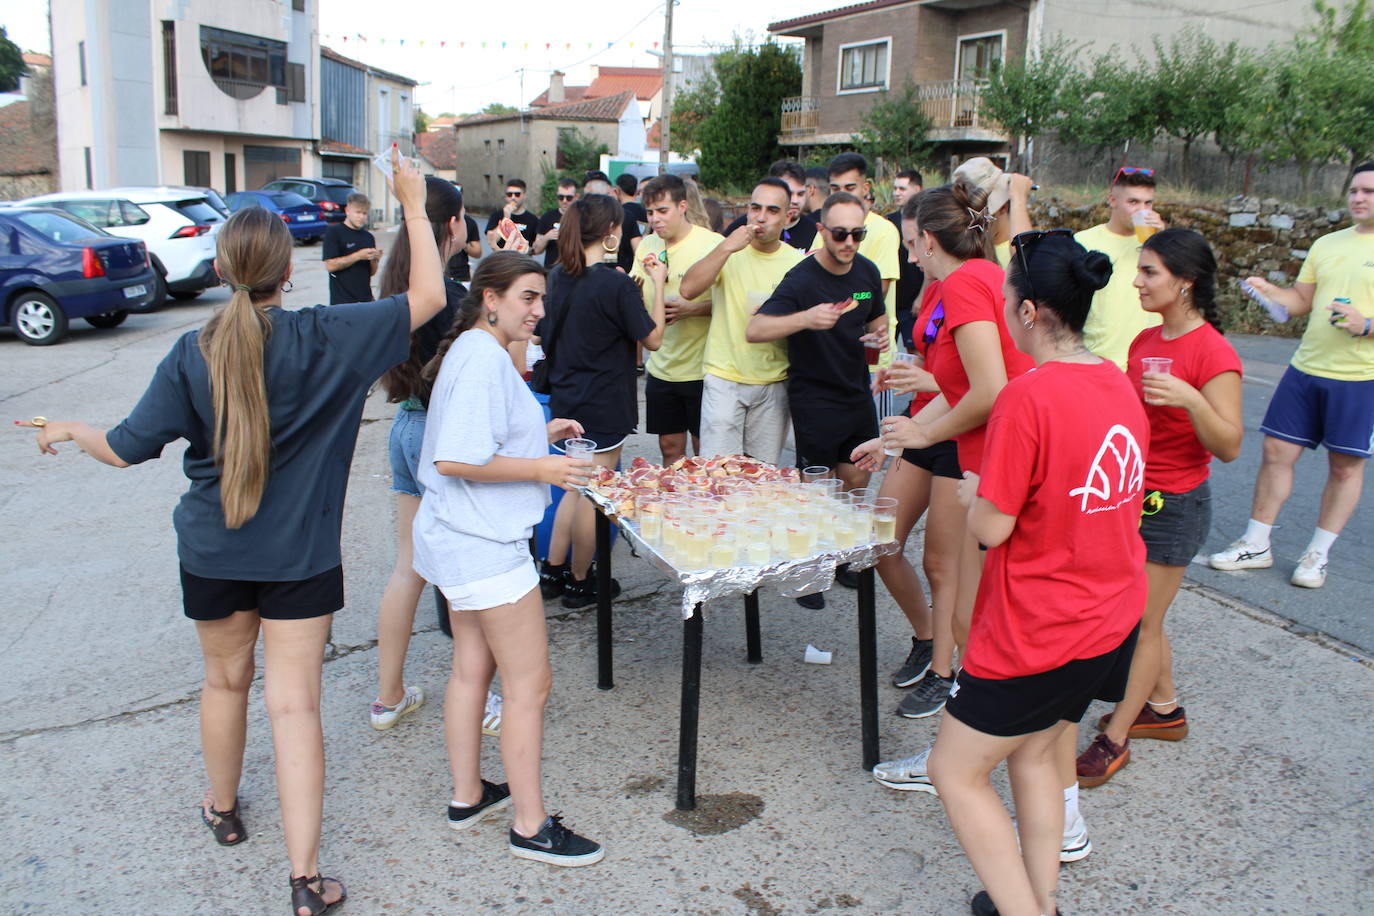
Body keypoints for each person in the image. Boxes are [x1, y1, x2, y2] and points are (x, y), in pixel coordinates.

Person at [21, 149, 444, 915]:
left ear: (221, 271)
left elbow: (123, 447)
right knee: (295, 706)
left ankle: (222, 810)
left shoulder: (194, 351)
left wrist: (71, 428)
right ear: (290, 272)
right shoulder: (329, 335)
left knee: (224, 682)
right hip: (300, 558)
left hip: (213, 552)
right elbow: (428, 296)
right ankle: (305, 882)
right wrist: (412, 202)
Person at [925, 230, 1147, 916]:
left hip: (1041, 629)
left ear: (1027, 312)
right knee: (1035, 755)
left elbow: (993, 528)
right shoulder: (1114, 379)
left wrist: (974, 494)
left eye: (1006, 299)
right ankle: (1041, 900)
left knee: (953, 771)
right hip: (1110, 618)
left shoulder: (1028, 396)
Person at [413, 251, 605, 867]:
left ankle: (468, 795)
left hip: (460, 536)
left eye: (541, 297)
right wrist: (543, 468)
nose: (539, 309)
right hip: (484, 544)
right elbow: (455, 458)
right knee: (529, 684)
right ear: (490, 299)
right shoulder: (480, 359)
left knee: (472, 670)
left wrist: (538, 435)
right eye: (528, 297)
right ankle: (531, 825)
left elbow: (481, 438)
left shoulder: (477, 350)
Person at [867, 181, 1035, 797]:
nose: (909, 255)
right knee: (976, 612)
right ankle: (976, 753)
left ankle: (956, 760)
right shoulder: (986, 274)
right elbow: (973, 387)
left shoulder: (964, 283)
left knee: (971, 615)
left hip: (990, 458)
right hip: (990, 452)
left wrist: (920, 431)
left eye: (912, 243)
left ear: (932, 240)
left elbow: (989, 391)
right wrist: (902, 436)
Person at [1075, 228, 1243, 789]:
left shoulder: (1214, 353)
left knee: (1141, 621)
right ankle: (1164, 709)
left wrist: (1192, 400)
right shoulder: (1147, 340)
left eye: (1150, 272)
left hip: (1175, 503)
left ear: (1186, 282)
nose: (1137, 282)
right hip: (1132, 494)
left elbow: (1229, 445)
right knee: (1146, 613)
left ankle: (1116, 738)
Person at [370, 176, 504, 739]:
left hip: (405, 425)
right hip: (442, 437)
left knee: (410, 568)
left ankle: (388, 697)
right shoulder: (447, 296)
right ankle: (480, 698)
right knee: (464, 572)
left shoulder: (394, 284)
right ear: (452, 224)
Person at [1209, 162, 1374, 588]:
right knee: (1276, 452)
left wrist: (1367, 325)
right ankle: (1256, 543)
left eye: (1369, 191)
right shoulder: (1327, 243)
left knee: (1344, 467)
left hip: (1361, 379)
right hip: (1305, 368)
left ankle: (1317, 555)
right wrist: (1271, 293)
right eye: (1354, 190)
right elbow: (1300, 301)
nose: (1358, 198)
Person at [748, 191, 888, 609]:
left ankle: (840, 555)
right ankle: (810, 568)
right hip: (814, 395)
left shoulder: (867, 271)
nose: (849, 242)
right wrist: (806, 318)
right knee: (817, 488)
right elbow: (755, 329)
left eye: (858, 234)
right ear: (822, 230)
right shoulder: (802, 278)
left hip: (856, 390)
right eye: (840, 234)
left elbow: (876, 319)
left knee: (857, 478)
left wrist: (880, 338)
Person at [538, 194, 666, 608]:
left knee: (575, 488)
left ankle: (553, 571)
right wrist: (658, 285)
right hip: (604, 402)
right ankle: (580, 579)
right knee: (593, 494)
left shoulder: (557, 276)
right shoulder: (615, 283)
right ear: (610, 232)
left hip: (567, 398)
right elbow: (653, 338)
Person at [680, 177, 803, 465]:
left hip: (774, 381)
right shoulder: (728, 251)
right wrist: (726, 248)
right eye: (755, 208)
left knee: (762, 475)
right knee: (717, 474)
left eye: (772, 210)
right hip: (724, 378)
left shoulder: (797, 263)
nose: (761, 217)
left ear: (788, 217)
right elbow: (688, 290)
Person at [630, 174, 724, 465]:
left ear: (683, 206)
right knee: (670, 450)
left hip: (703, 370)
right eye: (650, 213)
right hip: (661, 367)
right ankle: (672, 493)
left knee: (704, 453)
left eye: (662, 211)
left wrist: (692, 309)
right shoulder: (646, 245)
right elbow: (637, 292)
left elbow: (732, 304)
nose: (655, 219)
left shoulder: (712, 244)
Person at [810, 154, 901, 420]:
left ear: (865, 187)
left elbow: (876, 292)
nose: (842, 195)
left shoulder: (884, 230)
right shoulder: (825, 229)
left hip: (872, 358)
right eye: (835, 188)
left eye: (849, 187)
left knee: (877, 435)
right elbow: (811, 278)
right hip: (832, 354)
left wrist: (837, 296)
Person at [1074, 167, 1167, 370]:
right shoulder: (1082, 242)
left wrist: (1163, 241)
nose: (1142, 210)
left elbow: (1177, 292)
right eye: (1133, 202)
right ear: (1113, 200)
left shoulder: (1159, 244)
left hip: (1148, 362)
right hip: (1099, 362)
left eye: (1148, 203)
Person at [951, 157, 1034, 270]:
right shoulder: (1017, 254)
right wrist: (1018, 198)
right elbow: (1029, 268)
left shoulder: (952, 251)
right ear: (1003, 207)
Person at [723, 160, 817, 251]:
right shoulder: (740, 229)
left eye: (800, 194)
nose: (795, 201)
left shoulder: (814, 232)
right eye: (789, 194)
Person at [887, 169, 926, 350]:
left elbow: (932, 263)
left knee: (916, 350)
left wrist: (922, 296)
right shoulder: (888, 222)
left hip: (913, 302)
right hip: (892, 301)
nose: (896, 193)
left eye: (902, 189)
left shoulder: (926, 222)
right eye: (895, 188)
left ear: (917, 189)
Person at [322, 191, 380, 304]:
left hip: (366, 301)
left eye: (364, 213)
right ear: (347, 211)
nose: (361, 217)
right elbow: (330, 265)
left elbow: (371, 273)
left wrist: (375, 259)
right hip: (342, 303)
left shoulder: (368, 237)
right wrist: (358, 256)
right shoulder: (334, 232)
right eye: (358, 212)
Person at [583, 170, 642, 271]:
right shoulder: (624, 214)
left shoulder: (579, 215)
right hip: (620, 272)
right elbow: (639, 251)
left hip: (583, 271)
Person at [534, 178, 579, 268]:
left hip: (576, 269)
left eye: (569, 198)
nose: (564, 201)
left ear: (576, 197)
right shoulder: (547, 217)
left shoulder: (583, 217)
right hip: (552, 269)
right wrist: (546, 237)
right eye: (561, 197)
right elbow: (536, 250)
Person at [485, 178, 540, 251]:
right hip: (501, 256)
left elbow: (535, 247)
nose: (513, 197)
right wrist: (505, 219)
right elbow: (492, 241)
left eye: (517, 194)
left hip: (521, 257)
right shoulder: (496, 215)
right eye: (509, 194)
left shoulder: (532, 219)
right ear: (506, 196)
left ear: (524, 196)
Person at [445, 212, 483, 285]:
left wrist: (464, 244)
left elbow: (478, 252)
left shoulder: (468, 222)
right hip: (438, 275)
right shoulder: (434, 219)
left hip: (462, 277)